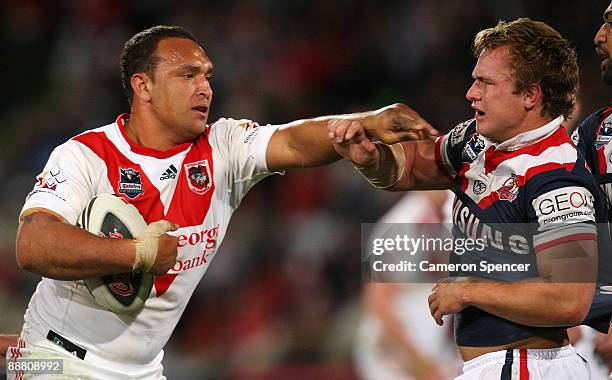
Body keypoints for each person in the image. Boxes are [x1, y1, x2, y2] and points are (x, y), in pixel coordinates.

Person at [8, 26, 433, 379]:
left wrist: (366, 122)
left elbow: (294, 140)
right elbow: (32, 245)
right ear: (143, 86)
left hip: (142, 369)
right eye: (187, 75)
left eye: (207, 75)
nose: (205, 87)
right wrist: (135, 253)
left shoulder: (223, 147)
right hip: (59, 357)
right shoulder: (85, 154)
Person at [330, 18, 608, 379]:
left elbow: (570, 299)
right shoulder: (475, 143)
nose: (471, 93)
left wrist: (470, 290)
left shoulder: (557, 179)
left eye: (485, 83)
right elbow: (409, 169)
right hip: (492, 366)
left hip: (527, 367)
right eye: (475, 79)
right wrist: (369, 157)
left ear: (530, 95)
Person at [353, 190, 462, 380]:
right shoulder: (398, 225)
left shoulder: (453, 212)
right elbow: (379, 305)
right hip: (392, 348)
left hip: (436, 344)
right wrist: (419, 364)